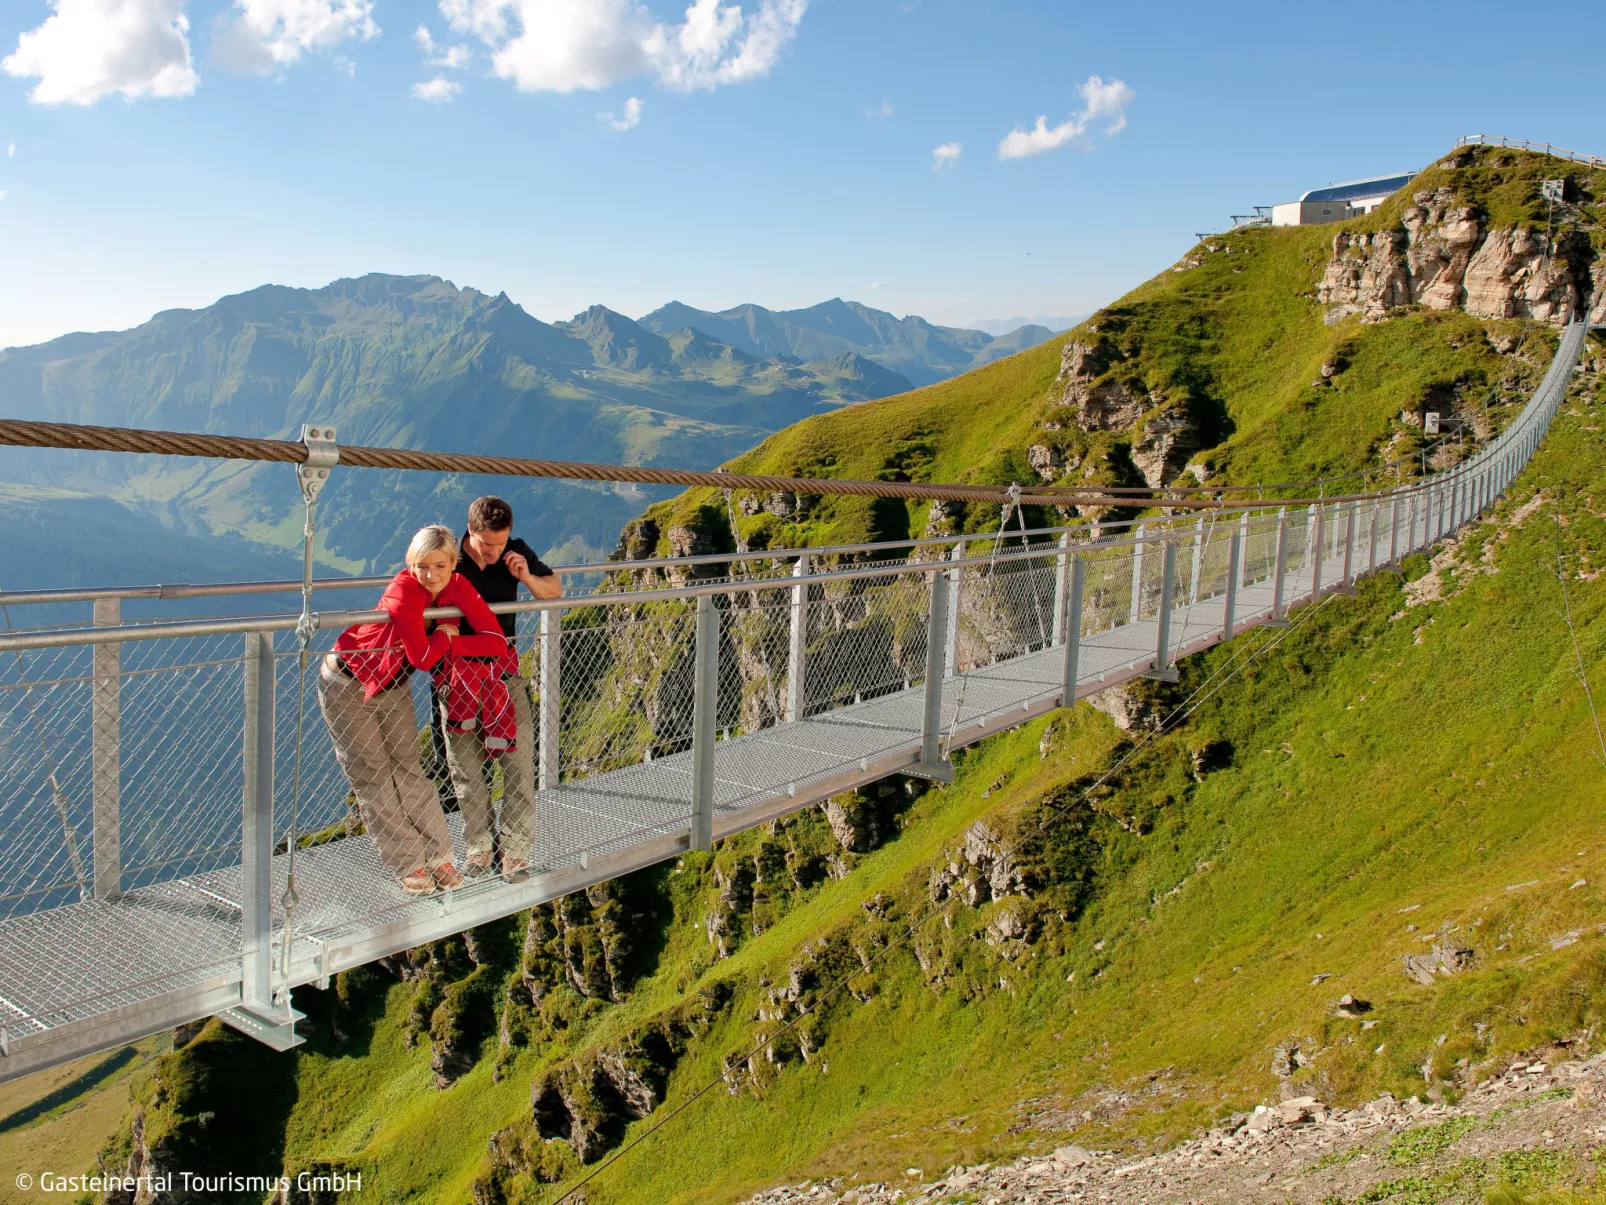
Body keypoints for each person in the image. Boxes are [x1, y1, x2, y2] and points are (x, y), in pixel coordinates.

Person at [319, 524, 510, 896]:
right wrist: (447, 633)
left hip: (393, 684)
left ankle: (440, 856)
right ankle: (409, 862)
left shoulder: (458, 587)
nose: (431, 575)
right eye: (423, 565)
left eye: (440, 565)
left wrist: (452, 640)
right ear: (412, 563)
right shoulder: (404, 591)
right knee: (374, 777)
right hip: (347, 683)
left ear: (454, 563)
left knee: (409, 771)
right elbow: (423, 657)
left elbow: (497, 643)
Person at [431, 495, 560, 884]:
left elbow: (553, 591)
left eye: (499, 543)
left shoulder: (516, 551)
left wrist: (526, 577)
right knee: (467, 770)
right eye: (485, 544)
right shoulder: (449, 557)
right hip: (455, 676)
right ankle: (479, 848)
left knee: (519, 767)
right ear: (468, 532)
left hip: (502, 675)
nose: (492, 551)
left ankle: (516, 853)